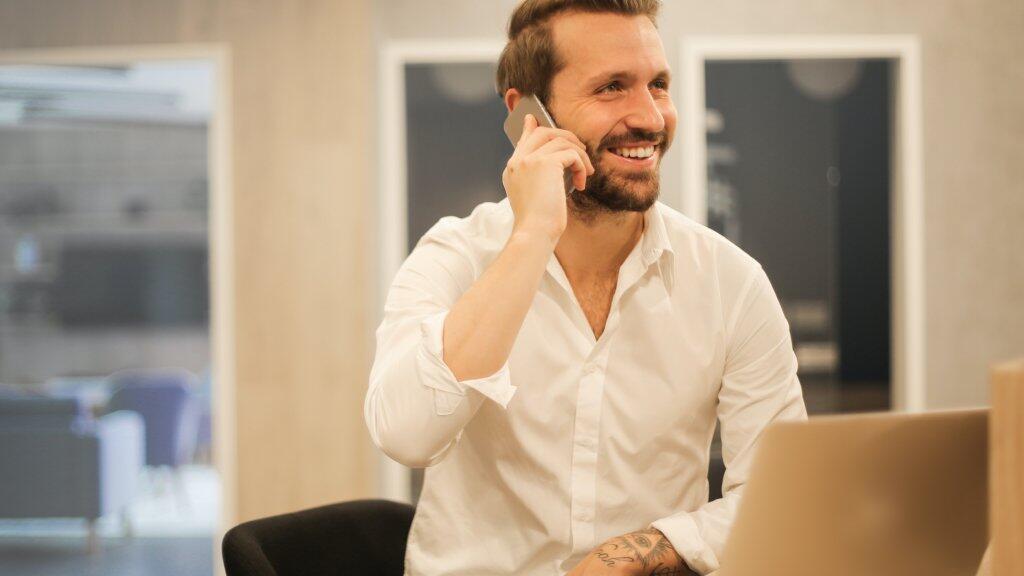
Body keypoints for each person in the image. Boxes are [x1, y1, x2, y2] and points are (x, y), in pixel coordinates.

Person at [364, 1, 807, 574]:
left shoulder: (731, 283)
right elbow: (405, 435)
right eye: (611, 88)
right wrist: (532, 237)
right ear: (527, 112)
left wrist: (633, 554)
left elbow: (777, 500)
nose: (650, 117)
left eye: (659, 84)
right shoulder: (455, 256)